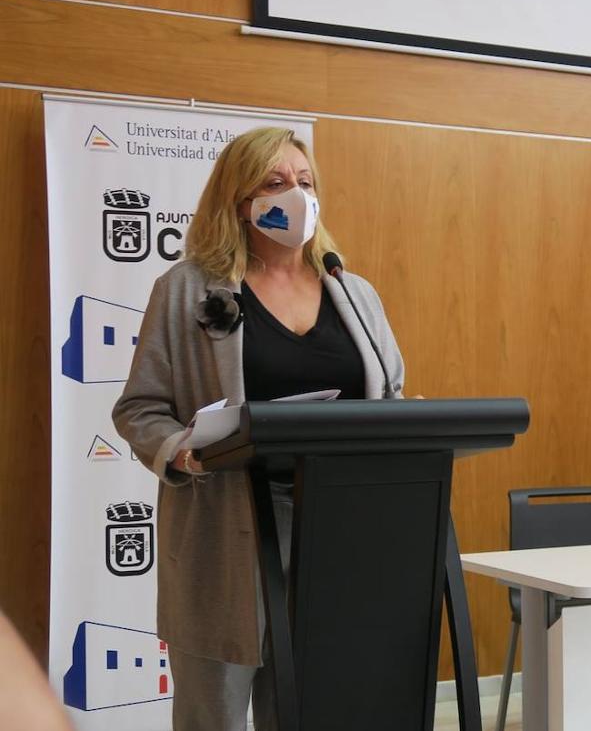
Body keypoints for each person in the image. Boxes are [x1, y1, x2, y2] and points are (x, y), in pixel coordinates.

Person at [113, 127, 405, 731]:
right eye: (275, 183)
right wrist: (185, 453)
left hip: (337, 533)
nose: (295, 195)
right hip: (226, 531)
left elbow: (390, 395)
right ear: (239, 200)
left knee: (312, 709)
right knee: (213, 714)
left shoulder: (353, 292)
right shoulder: (188, 289)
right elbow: (140, 409)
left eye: (305, 182)